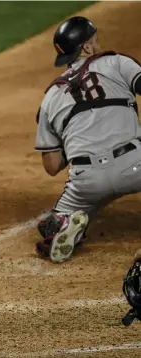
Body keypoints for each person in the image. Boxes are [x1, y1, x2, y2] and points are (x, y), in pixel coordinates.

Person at [34, 16, 141, 263]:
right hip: (135, 164)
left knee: (48, 226)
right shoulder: (116, 62)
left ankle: (66, 224)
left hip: (87, 180)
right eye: (95, 41)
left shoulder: (49, 98)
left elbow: (51, 166)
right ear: (86, 47)